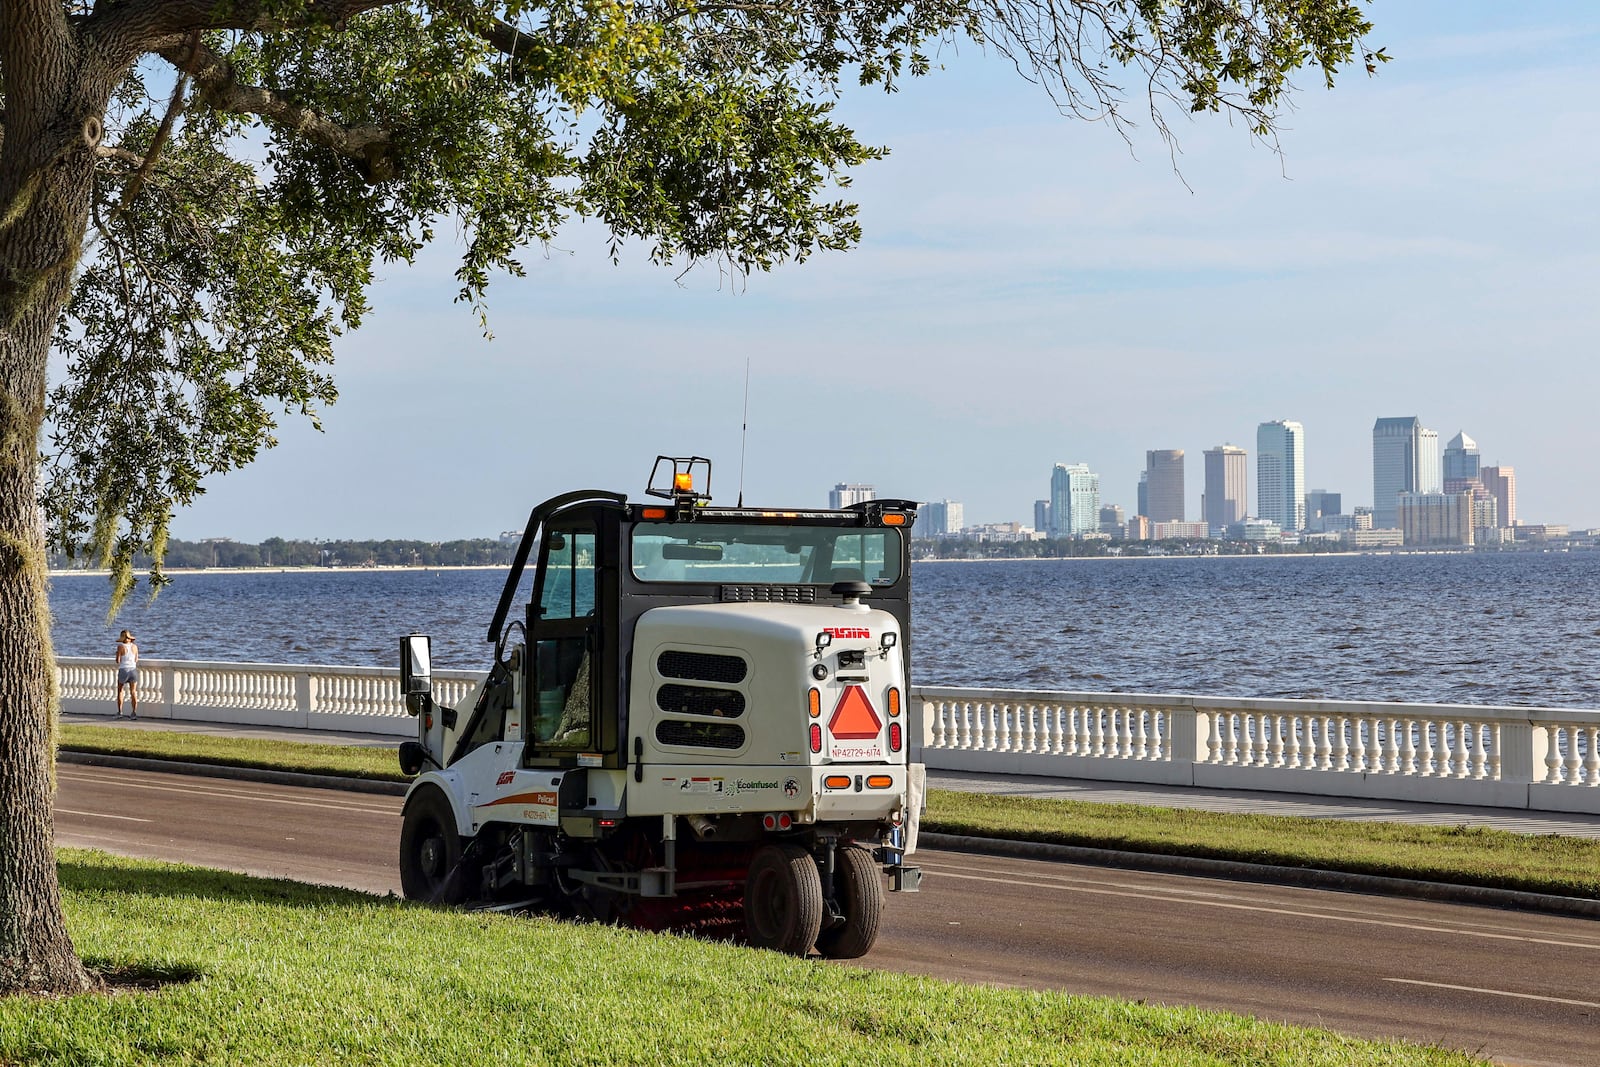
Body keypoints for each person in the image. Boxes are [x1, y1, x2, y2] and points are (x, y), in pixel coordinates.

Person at [114, 630, 139, 719]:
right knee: (133, 692)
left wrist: (117, 654)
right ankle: (134, 712)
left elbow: (118, 661)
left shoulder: (120, 647)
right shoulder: (135, 647)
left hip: (123, 670)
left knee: (120, 691)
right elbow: (136, 660)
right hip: (133, 670)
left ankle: (120, 712)